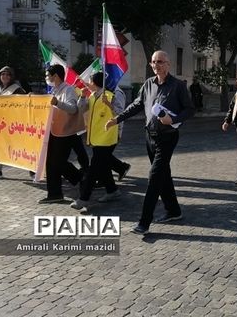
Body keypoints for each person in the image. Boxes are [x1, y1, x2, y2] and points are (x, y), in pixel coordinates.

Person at [105, 50, 195, 235]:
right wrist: (117, 119)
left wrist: (174, 118)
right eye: (153, 62)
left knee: (154, 177)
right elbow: (137, 105)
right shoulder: (148, 84)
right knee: (163, 175)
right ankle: (173, 210)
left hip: (168, 136)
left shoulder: (177, 86)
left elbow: (190, 110)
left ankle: (144, 222)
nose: (156, 65)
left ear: (168, 64)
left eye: (160, 61)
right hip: (150, 137)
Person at [71, 72, 123, 209]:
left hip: (107, 138)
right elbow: (81, 108)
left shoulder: (110, 96)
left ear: (95, 83)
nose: (88, 83)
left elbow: (120, 113)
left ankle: (84, 198)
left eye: (90, 81)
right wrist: (82, 97)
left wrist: (109, 104)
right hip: (96, 137)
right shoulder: (92, 96)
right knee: (104, 166)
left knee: (93, 169)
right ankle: (112, 190)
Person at [40, 64, 84, 203]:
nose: (46, 78)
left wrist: (58, 103)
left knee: (57, 162)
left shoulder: (68, 90)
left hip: (65, 134)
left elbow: (73, 109)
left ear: (56, 76)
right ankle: (55, 193)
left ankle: (80, 178)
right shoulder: (54, 90)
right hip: (54, 132)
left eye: (48, 75)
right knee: (52, 163)